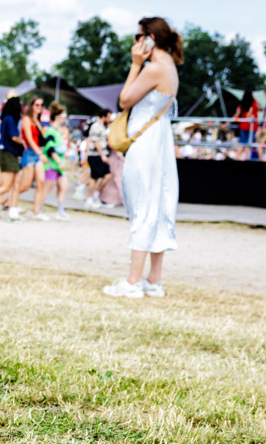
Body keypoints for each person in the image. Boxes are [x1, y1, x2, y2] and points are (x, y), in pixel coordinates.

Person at [103, 17, 182, 299]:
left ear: (149, 38)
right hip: (160, 141)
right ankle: (153, 280)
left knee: (142, 207)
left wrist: (136, 65)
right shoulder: (170, 67)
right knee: (159, 206)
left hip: (146, 143)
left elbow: (124, 100)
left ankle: (133, 281)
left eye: (138, 37)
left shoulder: (154, 68)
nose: (135, 43)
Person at [16, 96, 50, 220]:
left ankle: (37, 212)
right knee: (25, 185)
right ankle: (6, 201)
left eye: (41, 105)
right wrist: (39, 153)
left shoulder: (38, 121)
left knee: (41, 183)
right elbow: (29, 139)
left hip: (37, 153)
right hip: (29, 152)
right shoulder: (26, 119)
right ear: (31, 106)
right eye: (37, 105)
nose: (39, 107)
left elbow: (42, 138)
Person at [43, 102, 70, 220]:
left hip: (59, 164)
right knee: (47, 187)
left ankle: (60, 210)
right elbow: (50, 149)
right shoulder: (50, 131)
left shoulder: (59, 131)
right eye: (64, 117)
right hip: (52, 164)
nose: (65, 119)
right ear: (58, 117)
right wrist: (58, 161)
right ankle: (40, 209)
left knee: (64, 186)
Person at [84, 109, 112, 209]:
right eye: (108, 117)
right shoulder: (96, 126)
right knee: (94, 178)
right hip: (95, 155)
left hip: (100, 154)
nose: (109, 120)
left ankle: (96, 194)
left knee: (108, 175)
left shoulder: (103, 127)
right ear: (103, 116)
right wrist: (102, 154)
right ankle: (89, 199)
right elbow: (95, 142)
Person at [232, 89, 259, 161]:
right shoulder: (254, 103)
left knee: (241, 144)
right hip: (252, 127)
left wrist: (226, 123)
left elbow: (236, 115)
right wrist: (254, 98)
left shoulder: (241, 104)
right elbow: (261, 107)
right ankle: (246, 159)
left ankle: (237, 158)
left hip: (243, 126)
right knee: (248, 145)